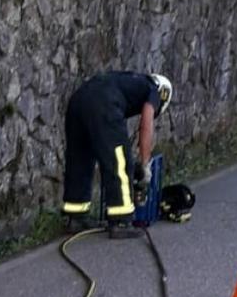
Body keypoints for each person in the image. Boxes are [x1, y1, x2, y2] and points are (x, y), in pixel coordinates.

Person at [61, 71, 173, 239]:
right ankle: (120, 221)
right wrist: (145, 163)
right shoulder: (154, 90)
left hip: (79, 100)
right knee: (119, 161)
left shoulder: (128, 80)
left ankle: (76, 217)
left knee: (80, 158)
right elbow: (146, 124)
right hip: (104, 105)